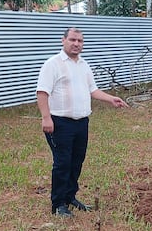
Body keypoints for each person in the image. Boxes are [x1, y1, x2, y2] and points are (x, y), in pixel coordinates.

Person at [36, 27, 128, 218]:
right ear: (63, 41)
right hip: (59, 123)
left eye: (80, 41)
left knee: (76, 161)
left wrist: (111, 98)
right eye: (72, 40)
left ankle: (70, 197)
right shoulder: (52, 64)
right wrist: (46, 117)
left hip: (81, 123)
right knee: (62, 163)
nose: (76, 44)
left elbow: (92, 90)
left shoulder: (84, 65)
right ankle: (58, 204)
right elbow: (42, 92)